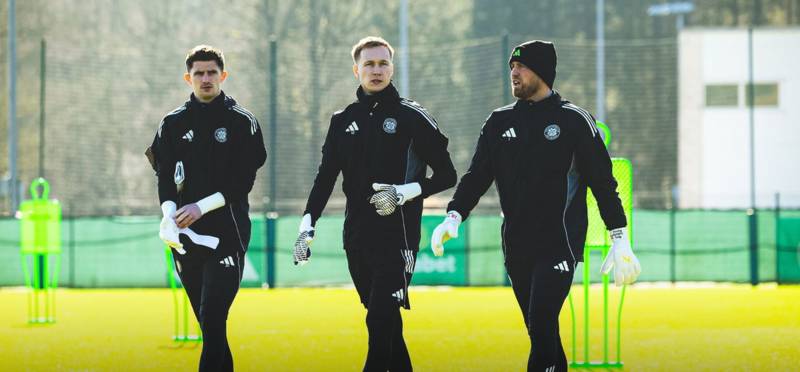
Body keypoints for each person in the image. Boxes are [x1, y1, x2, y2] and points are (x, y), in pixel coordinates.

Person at [429, 40, 641, 371]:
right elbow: (477, 177)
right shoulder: (497, 123)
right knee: (541, 333)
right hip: (516, 245)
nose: (513, 72)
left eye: (521, 66)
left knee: (541, 323)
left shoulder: (574, 120)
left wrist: (619, 236)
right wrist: (453, 216)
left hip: (560, 243)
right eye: (511, 66)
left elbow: (603, 183)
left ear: (542, 72)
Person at [293, 36, 457, 371]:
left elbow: (447, 175)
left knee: (379, 320)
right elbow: (325, 179)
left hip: (398, 239)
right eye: (369, 64)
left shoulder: (413, 116)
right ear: (356, 70)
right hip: (355, 239)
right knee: (387, 327)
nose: (376, 70)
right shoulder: (342, 121)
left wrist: (403, 192)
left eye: (383, 63)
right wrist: (306, 226)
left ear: (392, 68)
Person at [147, 45, 267, 372]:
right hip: (186, 237)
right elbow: (165, 177)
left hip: (228, 233)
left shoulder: (241, 121)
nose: (205, 78)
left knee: (213, 316)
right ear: (188, 78)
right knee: (209, 326)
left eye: (211, 72)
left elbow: (243, 181)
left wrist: (201, 207)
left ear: (223, 75)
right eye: (198, 73)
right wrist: (168, 216)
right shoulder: (172, 124)